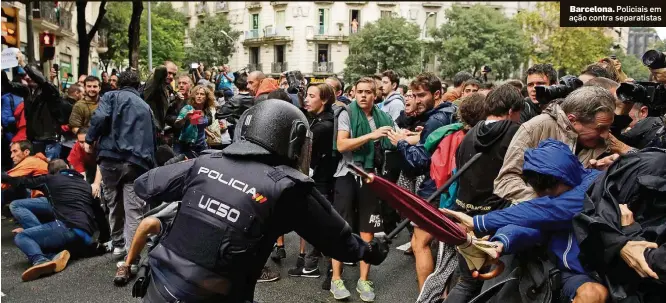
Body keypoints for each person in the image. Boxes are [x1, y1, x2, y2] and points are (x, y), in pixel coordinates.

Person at [132, 100, 389, 303]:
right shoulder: (288, 187)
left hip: (158, 287)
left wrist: (184, 166)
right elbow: (339, 241)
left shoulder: (206, 162)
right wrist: (371, 250)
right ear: (294, 139)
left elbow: (145, 185)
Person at [442, 139, 608, 303]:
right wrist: (501, 242)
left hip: (609, 268)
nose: (547, 194)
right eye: (541, 190)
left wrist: (480, 222)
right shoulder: (545, 204)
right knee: (591, 294)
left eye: (552, 187)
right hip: (574, 273)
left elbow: (547, 209)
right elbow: (529, 225)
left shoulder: (595, 183)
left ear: (568, 175)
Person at [440, 84, 523, 302]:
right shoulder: (517, 134)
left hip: (465, 217)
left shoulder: (470, 133)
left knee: (467, 282)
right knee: (496, 286)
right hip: (497, 219)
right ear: (512, 110)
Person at [387, 73, 457, 292]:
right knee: (440, 247)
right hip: (446, 186)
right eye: (414, 95)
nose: (416, 100)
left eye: (421, 95)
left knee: (420, 244)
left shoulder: (436, 119)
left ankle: (428, 296)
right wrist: (420, 138)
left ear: (437, 94)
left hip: (435, 188)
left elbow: (419, 162)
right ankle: (440, 294)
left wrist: (401, 143)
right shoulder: (448, 112)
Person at [328, 77, 395, 302]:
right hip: (347, 174)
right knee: (342, 227)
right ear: (354, 93)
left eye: (368, 92)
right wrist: (371, 135)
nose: (364, 95)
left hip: (370, 176)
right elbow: (341, 145)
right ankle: (336, 278)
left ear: (375, 95)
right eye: (360, 92)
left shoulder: (382, 116)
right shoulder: (346, 113)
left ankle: (363, 280)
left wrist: (411, 137)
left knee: (368, 229)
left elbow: (395, 139)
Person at [494, 86, 615, 204]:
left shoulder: (605, 141)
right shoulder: (535, 128)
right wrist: (547, 203)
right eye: (601, 128)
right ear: (572, 120)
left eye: (609, 127)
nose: (605, 135)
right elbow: (506, 180)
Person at [86, 70, 157, 257]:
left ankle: (118, 244)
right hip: (136, 162)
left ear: (119, 84)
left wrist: (89, 139)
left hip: (110, 158)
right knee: (134, 209)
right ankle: (131, 255)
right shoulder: (144, 106)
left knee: (113, 203)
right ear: (137, 85)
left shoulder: (110, 96)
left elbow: (100, 118)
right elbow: (152, 138)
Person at [2, 159, 109, 282]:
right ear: (68, 167)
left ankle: (41, 260)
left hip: (68, 228)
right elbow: (99, 213)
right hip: (87, 235)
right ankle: (71, 252)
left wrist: (3, 176)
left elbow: (21, 182)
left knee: (22, 237)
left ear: (51, 173)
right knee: (51, 238)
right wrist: (104, 238)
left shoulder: (50, 179)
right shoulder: (85, 185)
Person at [288, 83, 338, 278]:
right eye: (306, 95)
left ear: (324, 100)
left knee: (317, 223)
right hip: (320, 178)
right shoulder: (321, 120)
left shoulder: (323, 126)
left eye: (311, 96)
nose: (306, 99)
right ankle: (312, 264)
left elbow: (305, 152)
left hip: (321, 180)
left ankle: (316, 267)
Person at [174, 85, 216, 158]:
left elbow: (197, 124)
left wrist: (208, 132)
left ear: (206, 97)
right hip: (189, 146)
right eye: (197, 94)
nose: (199, 96)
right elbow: (177, 125)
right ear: (194, 96)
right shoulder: (188, 108)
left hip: (202, 145)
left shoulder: (205, 110)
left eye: (202, 94)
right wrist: (185, 118)